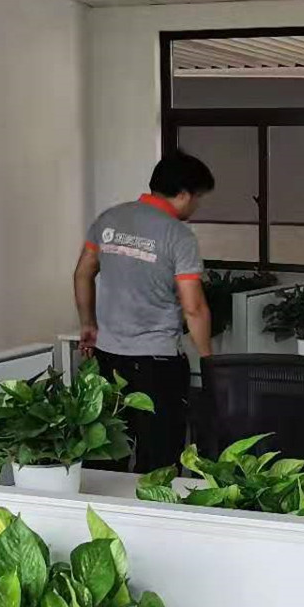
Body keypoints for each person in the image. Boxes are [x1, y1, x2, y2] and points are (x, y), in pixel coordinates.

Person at [73, 150, 214, 473]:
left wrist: (88, 325)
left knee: (106, 454)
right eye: (199, 198)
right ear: (184, 194)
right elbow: (193, 307)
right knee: (158, 460)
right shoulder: (178, 235)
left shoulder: (109, 219)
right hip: (157, 364)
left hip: (107, 359)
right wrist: (208, 359)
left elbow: (82, 274)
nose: (197, 206)